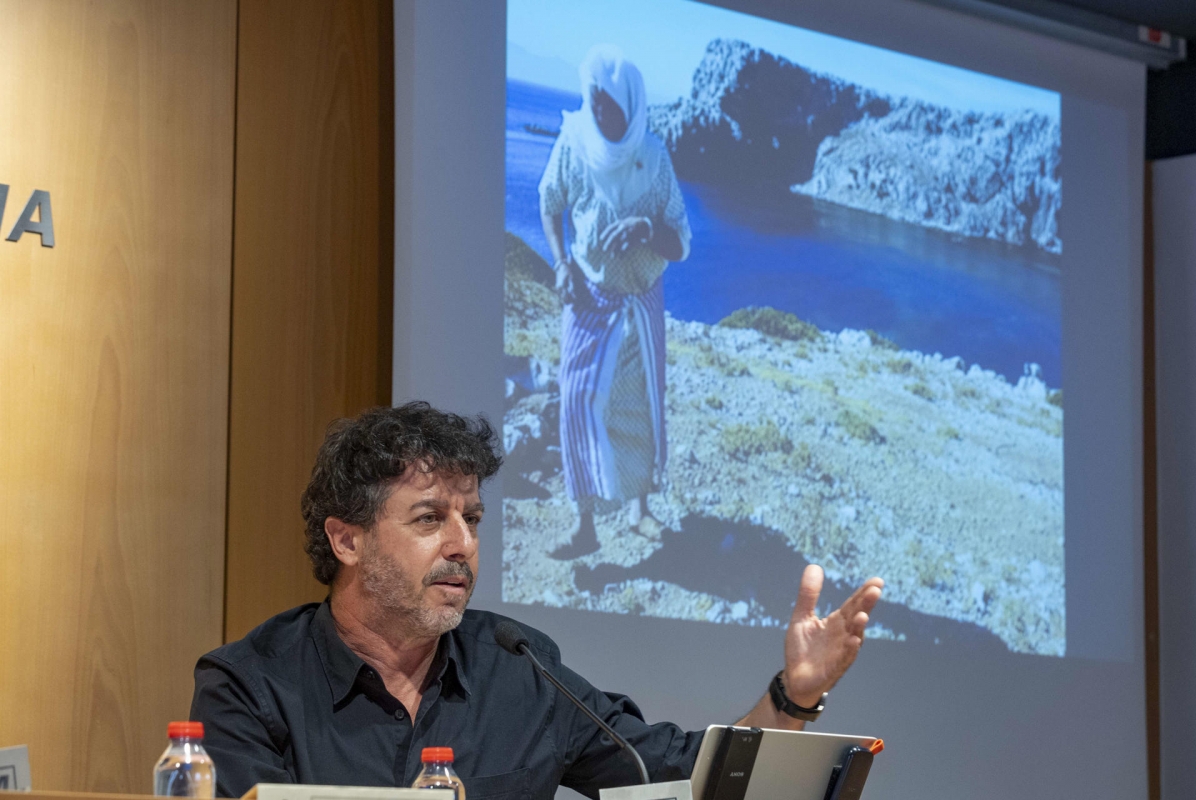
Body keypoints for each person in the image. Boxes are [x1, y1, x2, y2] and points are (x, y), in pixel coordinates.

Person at [191, 402, 884, 799]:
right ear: (347, 541)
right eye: (431, 519)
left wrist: (793, 697)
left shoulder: (520, 666)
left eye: (474, 519)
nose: (463, 543)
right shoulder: (250, 684)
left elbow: (674, 772)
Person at [539, 45, 689, 559]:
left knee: (641, 403)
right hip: (588, 298)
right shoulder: (575, 144)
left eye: (611, 106)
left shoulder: (656, 157)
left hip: (641, 300)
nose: (602, 114)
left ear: (631, 106)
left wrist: (649, 229)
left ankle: (638, 510)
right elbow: (549, 202)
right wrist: (562, 263)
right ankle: (585, 525)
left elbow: (681, 242)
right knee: (578, 403)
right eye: (595, 103)